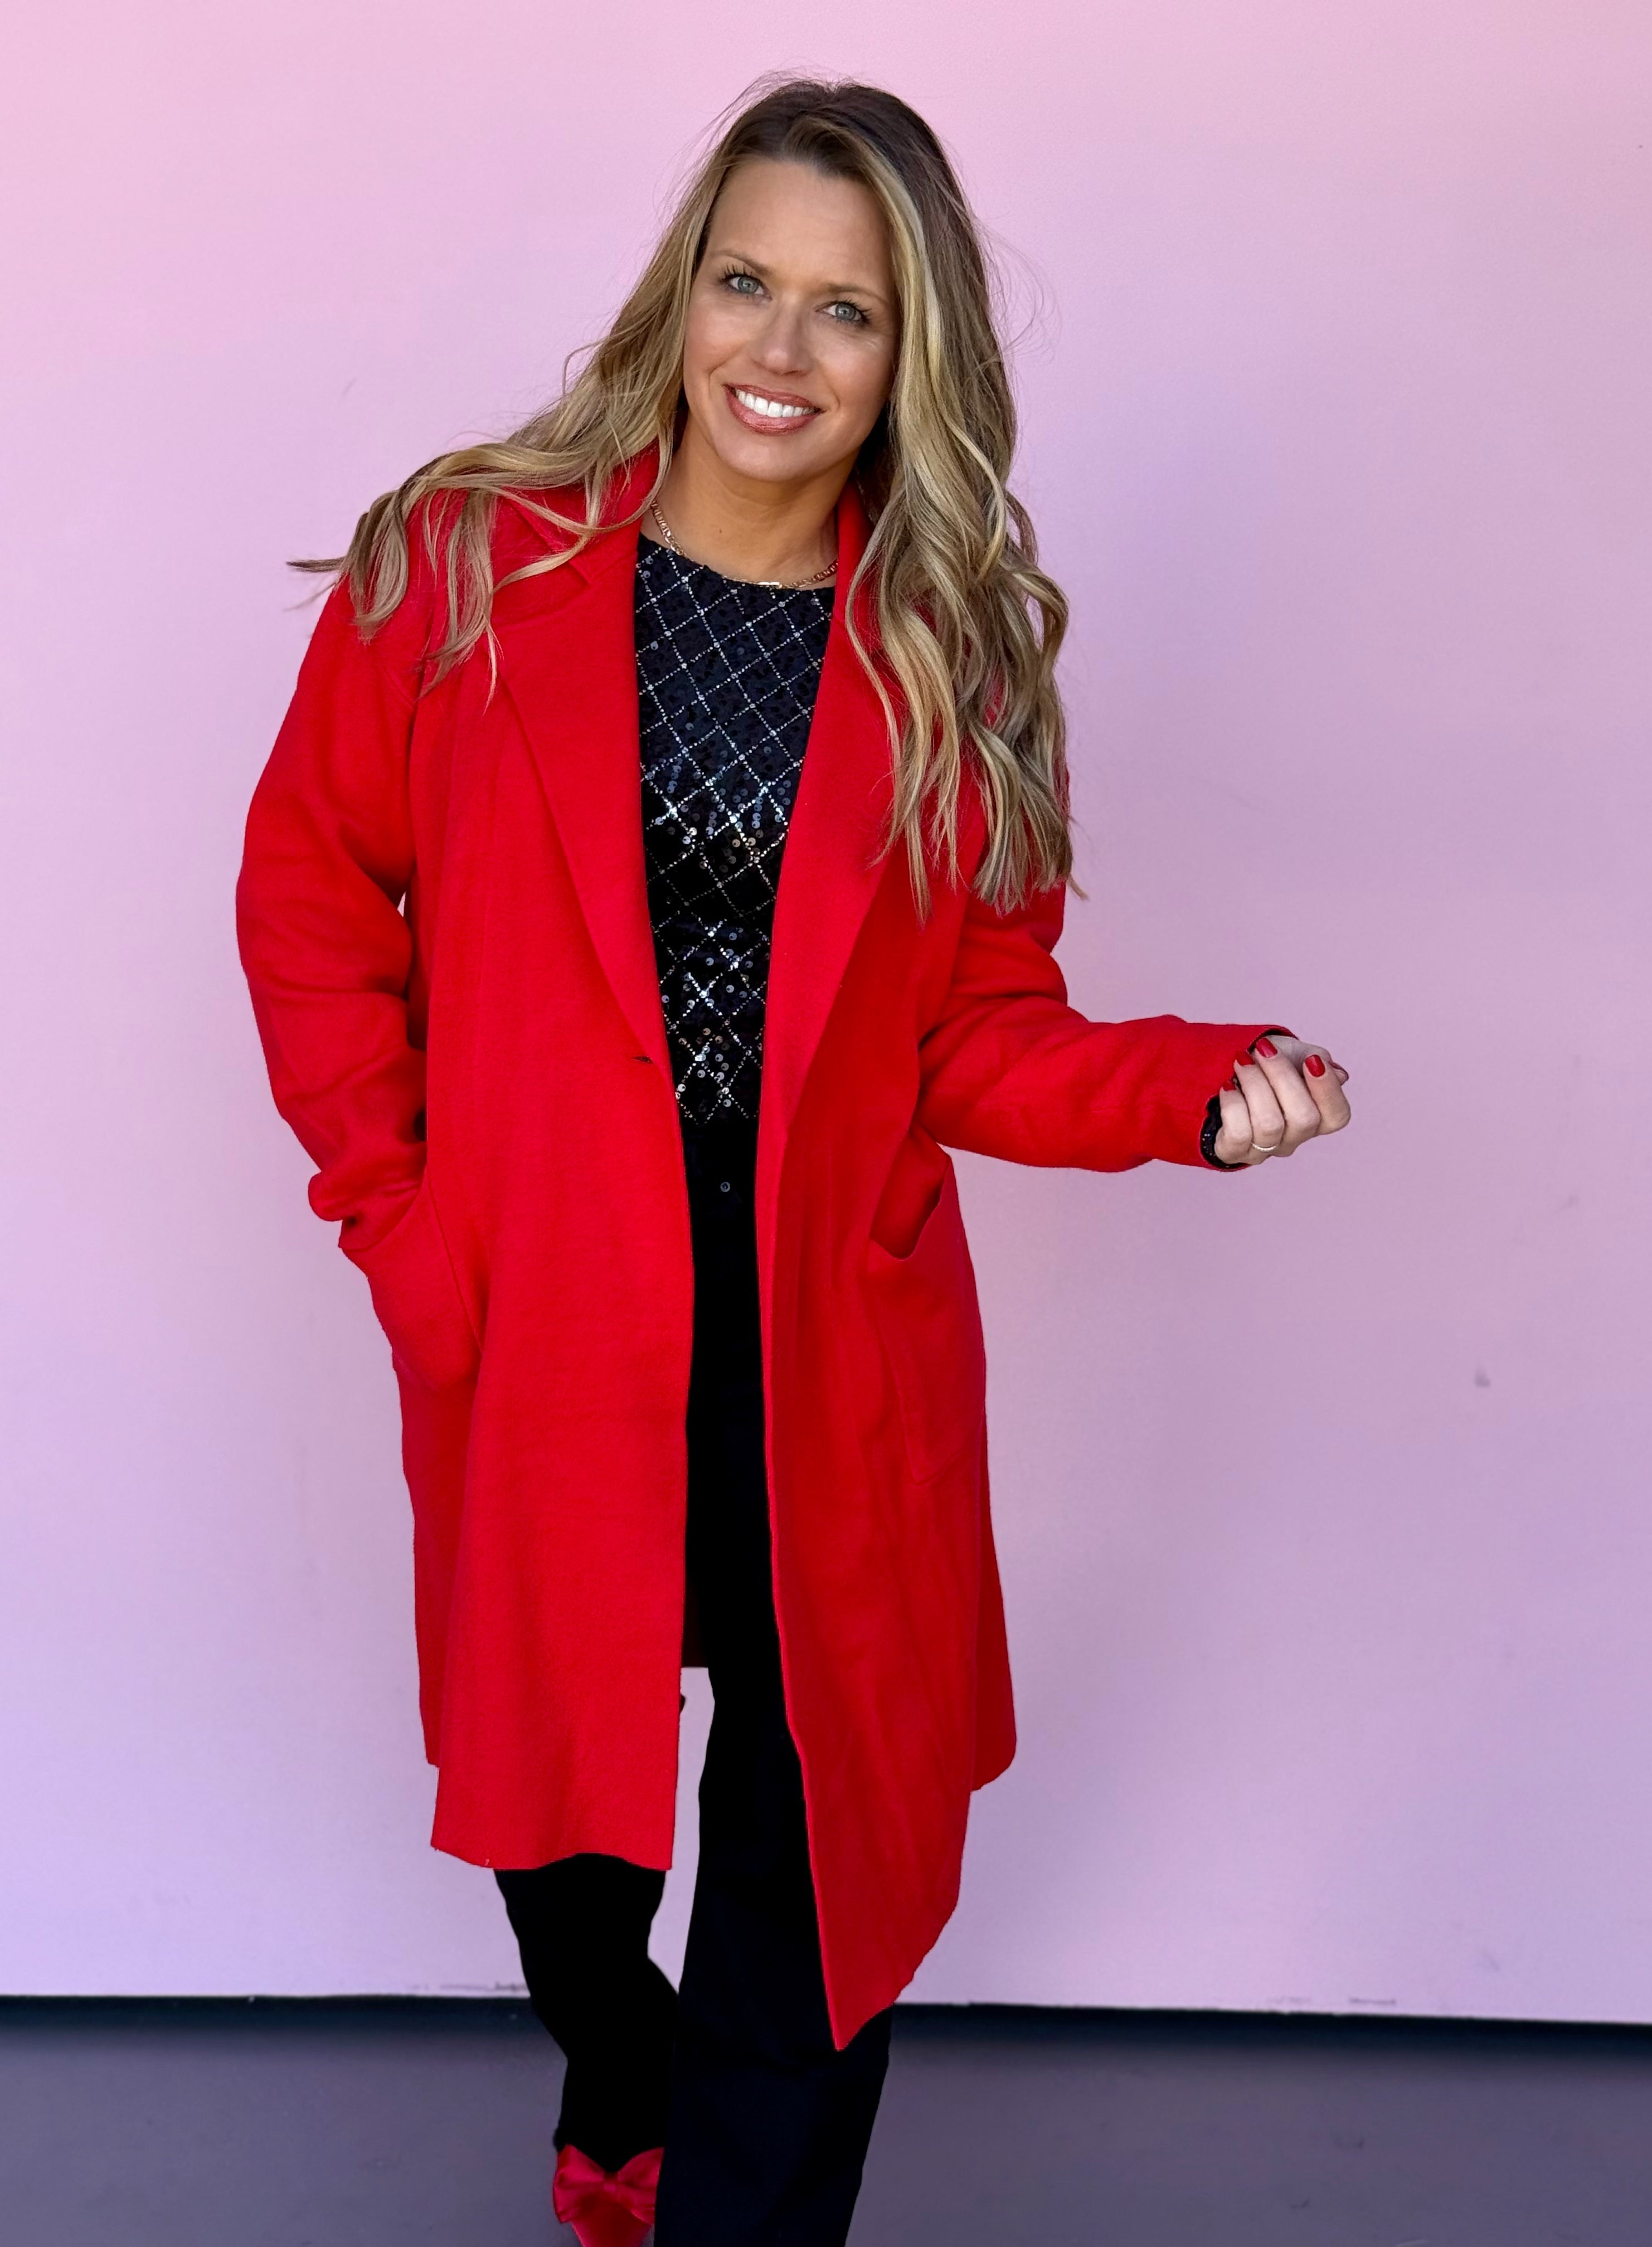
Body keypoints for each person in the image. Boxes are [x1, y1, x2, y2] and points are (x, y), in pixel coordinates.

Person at [236, 75, 1352, 2247]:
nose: (779, 347)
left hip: (824, 1327)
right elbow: (309, 897)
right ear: (681, 291)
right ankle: (620, 2068)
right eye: (745, 280)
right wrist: (400, 1219)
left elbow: (980, 1038)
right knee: (559, 1832)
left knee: (811, 1842)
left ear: (910, 356)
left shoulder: (950, 658)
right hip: (545, 1299)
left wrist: (1189, 1091)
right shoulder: (461, 568)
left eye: (847, 310)